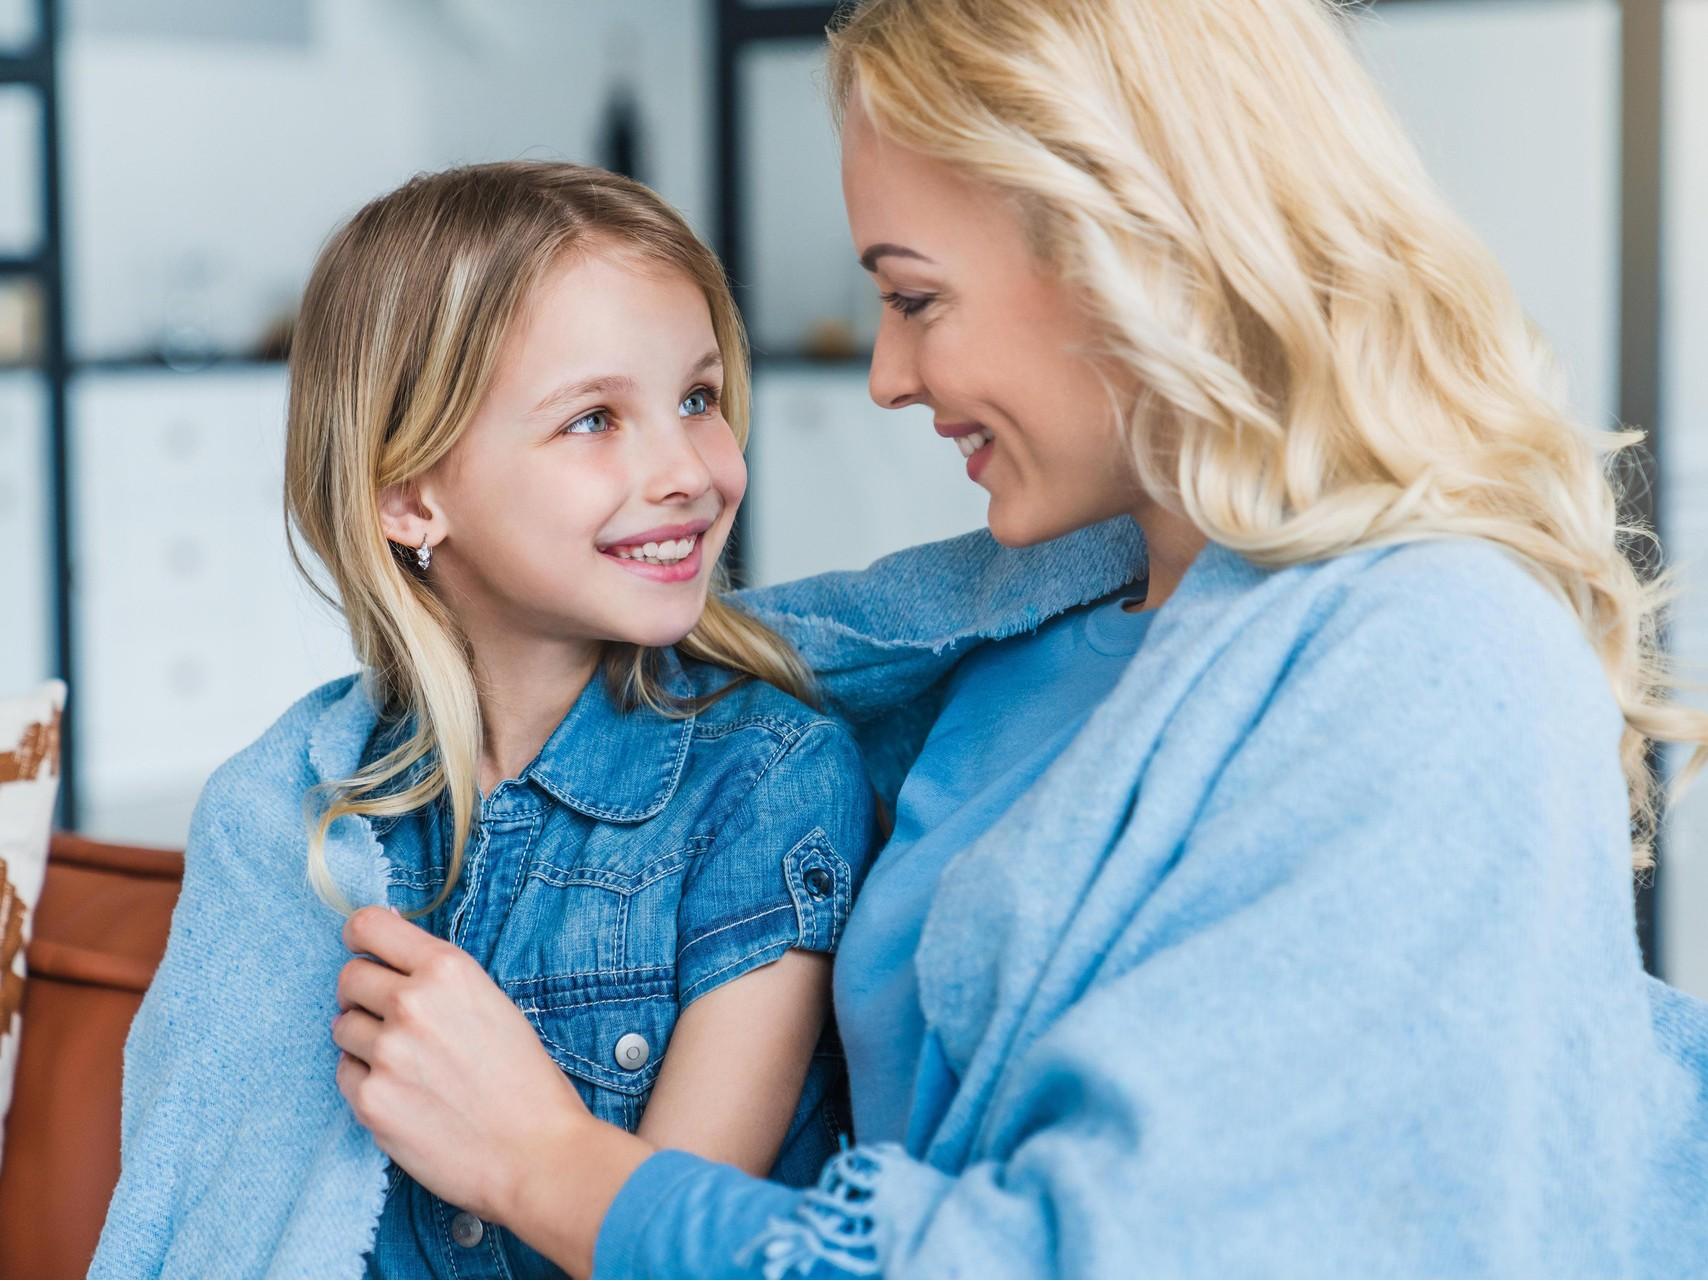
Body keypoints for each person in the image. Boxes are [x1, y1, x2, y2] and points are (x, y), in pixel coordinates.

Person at [330, 1, 1708, 1276]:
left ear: (1128, 252)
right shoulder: (1013, 645)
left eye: (916, 298)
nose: (886, 374)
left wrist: (546, 1165)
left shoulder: (1432, 660)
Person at [91, 162, 879, 1279]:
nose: (689, 470)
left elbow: (675, 1246)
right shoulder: (290, 814)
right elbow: (219, 1205)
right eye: (594, 418)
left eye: (698, 399)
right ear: (411, 496)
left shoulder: (769, 780)